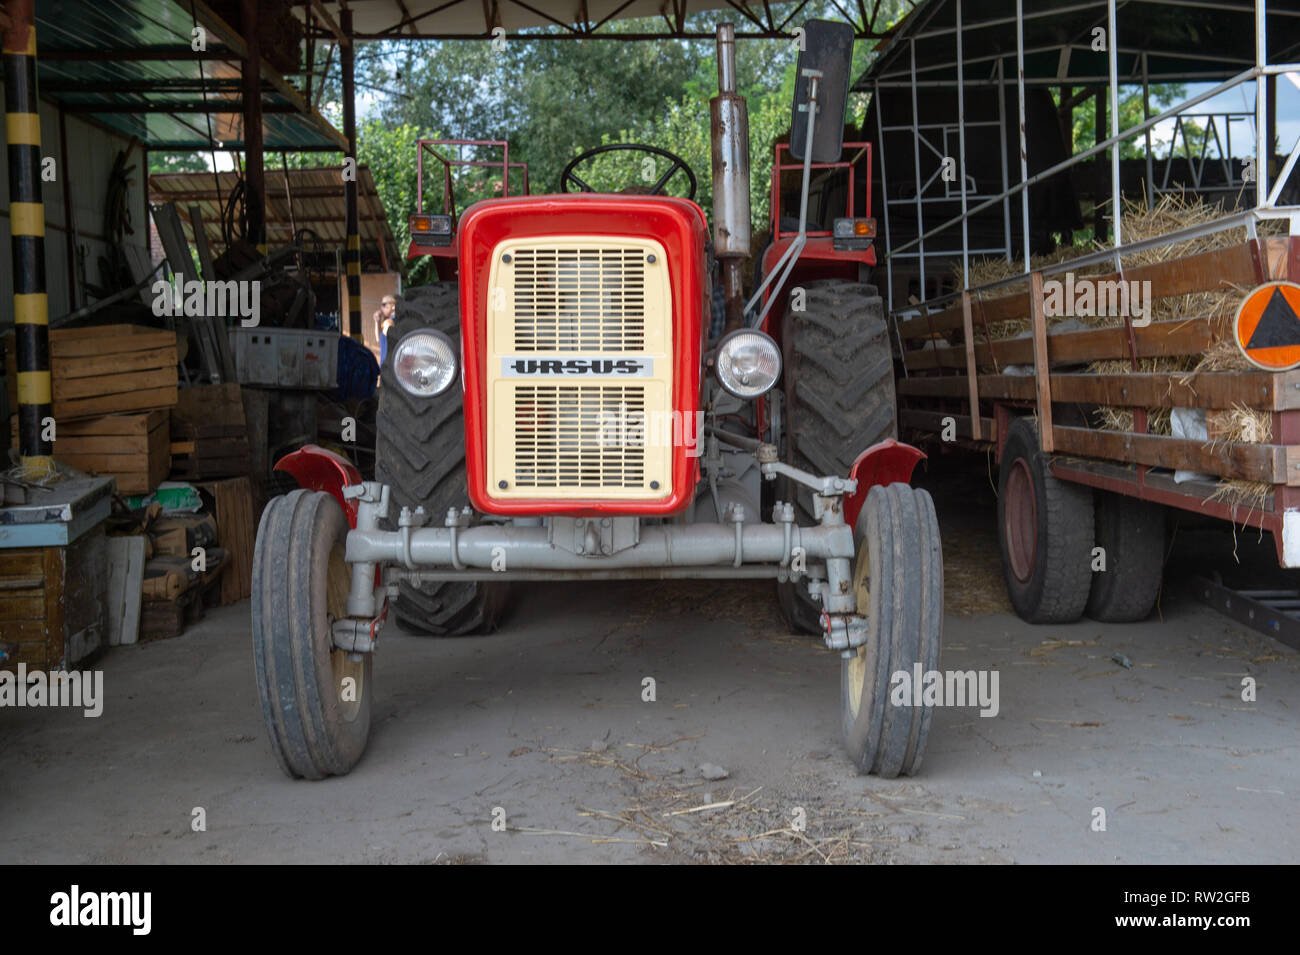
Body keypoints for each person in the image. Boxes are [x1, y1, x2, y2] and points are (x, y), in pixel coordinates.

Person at [374, 294, 398, 366]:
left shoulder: (389, 322)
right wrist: (377, 321)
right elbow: (378, 339)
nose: (381, 308)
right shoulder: (388, 321)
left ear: (393, 306)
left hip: (388, 365)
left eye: (384, 305)